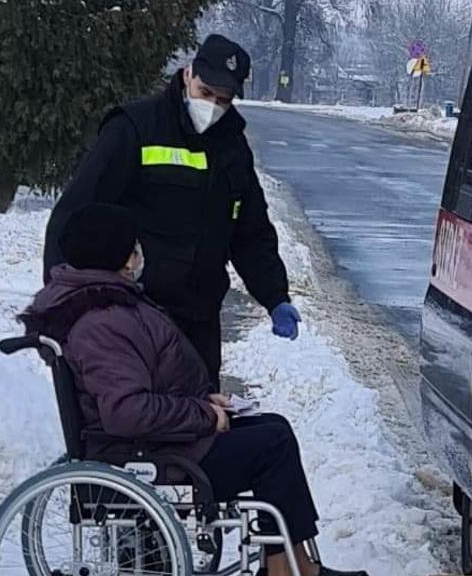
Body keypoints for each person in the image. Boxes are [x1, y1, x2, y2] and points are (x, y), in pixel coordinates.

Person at [21, 203, 367, 576]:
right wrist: (201, 415)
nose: (139, 255)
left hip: (155, 442)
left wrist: (206, 401)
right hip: (145, 456)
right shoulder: (102, 322)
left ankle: (298, 570)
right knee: (271, 445)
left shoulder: (104, 307)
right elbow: (126, 411)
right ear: (118, 257)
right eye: (133, 248)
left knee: (271, 427)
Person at [43, 34, 300, 390]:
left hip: (199, 318)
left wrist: (275, 297)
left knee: (202, 424)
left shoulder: (232, 148)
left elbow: (250, 233)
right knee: (141, 419)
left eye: (223, 100)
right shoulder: (134, 128)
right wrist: (58, 304)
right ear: (187, 74)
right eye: (205, 92)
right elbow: (73, 216)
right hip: (134, 315)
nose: (212, 105)